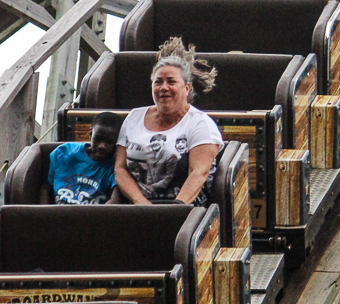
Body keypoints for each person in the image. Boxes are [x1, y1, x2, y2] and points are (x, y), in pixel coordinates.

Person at [115, 38, 223, 205]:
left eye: (171, 82)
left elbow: (199, 172)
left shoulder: (200, 124)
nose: (163, 87)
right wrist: (140, 203)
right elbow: (120, 169)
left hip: (185, 210)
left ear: (187, 88)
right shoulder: (134, 117)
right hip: (138, 208)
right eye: (158, 82)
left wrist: (172, 212)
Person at [42, 111, 123, 204]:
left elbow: (115, 201)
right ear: (90, 133)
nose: (102, 146)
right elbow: (45, 188)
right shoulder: (63, 152)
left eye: (109, 142)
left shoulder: (118, 166)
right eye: (98, 139)